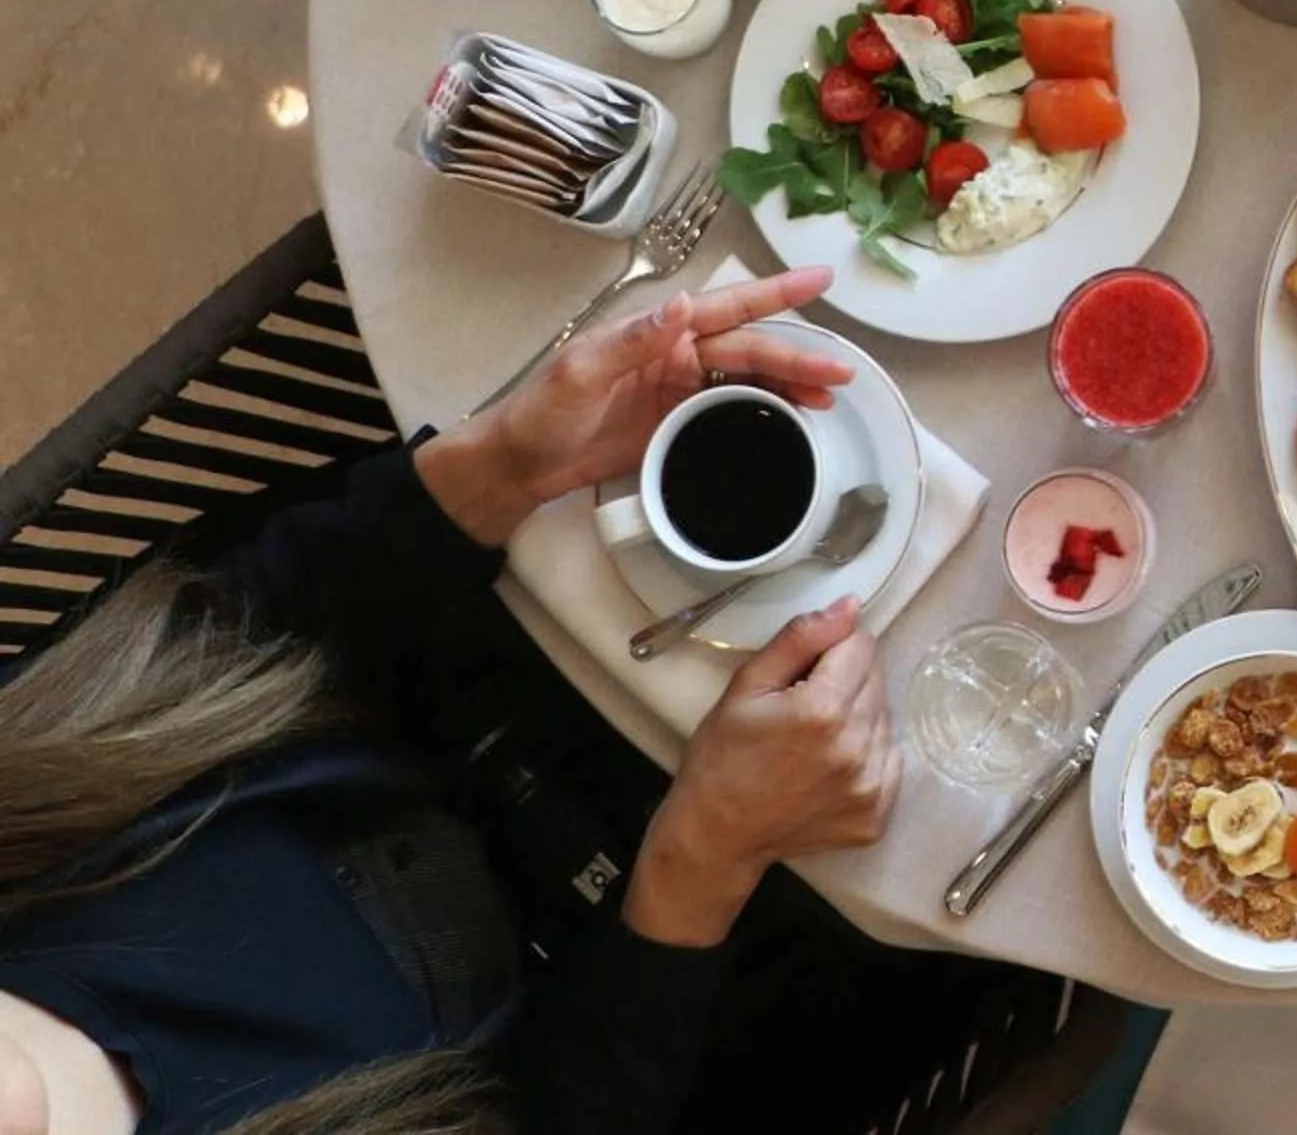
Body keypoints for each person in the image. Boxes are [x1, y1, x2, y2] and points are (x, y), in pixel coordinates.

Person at [0, 268, 933, 1135]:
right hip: (691, 951)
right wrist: (709, 851)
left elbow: (234, 631)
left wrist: (505, 464)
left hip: (474, 655)